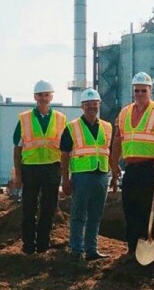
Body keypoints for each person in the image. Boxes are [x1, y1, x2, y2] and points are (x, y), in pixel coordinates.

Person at [109, 72, 154, 257]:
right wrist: (114, 164)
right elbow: (117, 140)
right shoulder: (124, 113)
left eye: (143, 90)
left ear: (150, 91)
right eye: (137, 90)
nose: (139, 94)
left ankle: (146, 244)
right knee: (130, 207)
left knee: (149, 208)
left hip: (151, 168)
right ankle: (132, 248)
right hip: (131, 167)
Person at [13, 80, 67, 255]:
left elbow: (66, 148)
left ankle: (43, 245)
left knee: (49, 208)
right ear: (35, 97)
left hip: (52, 168)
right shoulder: (24, 119)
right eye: (40, 95)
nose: (43, 98)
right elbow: (17, 148)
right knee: (28, 208)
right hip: (30, 169)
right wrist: (18, 174)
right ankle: (28, 246)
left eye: (46, 94)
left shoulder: (60, 119)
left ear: (51, 96)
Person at [61, 88, 113, 262]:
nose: (91, 107)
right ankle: (76, 249)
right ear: (82, 106)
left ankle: (91, 249)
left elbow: (109, 151)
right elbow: (65, 155)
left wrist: (113, 173)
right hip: (81, 176)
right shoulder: (72, 127)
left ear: (99, 104)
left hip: (101, 174)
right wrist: (65, 179)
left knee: (96, 215)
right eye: (88, 104)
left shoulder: (107, 127)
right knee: (78, 214)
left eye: (94, 104)